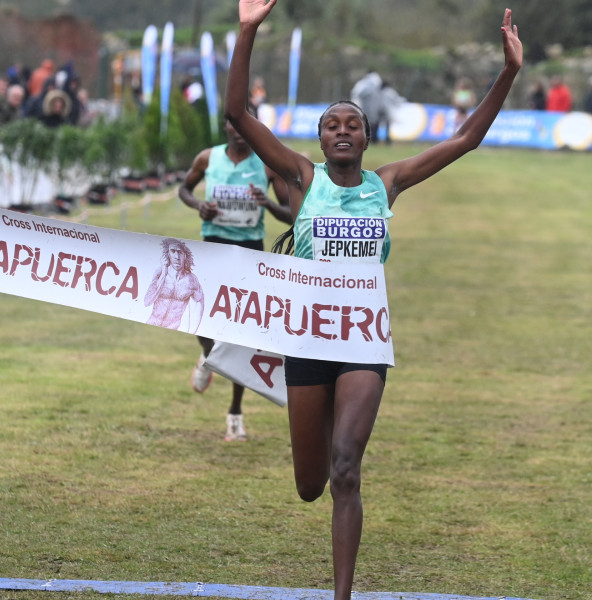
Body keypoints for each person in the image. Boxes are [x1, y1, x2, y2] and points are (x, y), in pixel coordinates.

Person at [224, 1, 521, 598]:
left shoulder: (387, 183)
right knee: (310, 484)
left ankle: (342, 596)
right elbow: (236, 112)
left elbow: (465, 138)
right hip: (307, 338)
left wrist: (508, 72)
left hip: (362, 341)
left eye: (352, 124)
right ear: (319, 137)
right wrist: (248, 29)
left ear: (366, 135)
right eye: (332, 123)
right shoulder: (300, 178)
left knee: (345, 469)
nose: (341, 129)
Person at [179, 105, 291, 442]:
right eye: (232, 120)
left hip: (249, 254)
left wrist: (268, 205)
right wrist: (199, 205)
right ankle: (208, 354)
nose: (239, 128)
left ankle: (235, 415)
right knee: (199, 318)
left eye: (247, 120)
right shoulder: (207, 158)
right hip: (212, 246)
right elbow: (184, 189)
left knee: (244, 338)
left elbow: (291, 214)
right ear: (225, 124)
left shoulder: (268, 164)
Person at [144, 238, 204, 333]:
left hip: (172, 330)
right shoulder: (160, 272)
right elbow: (147, 302)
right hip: (151, 325)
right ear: (168, 254)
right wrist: (163, 274)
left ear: (185, 255)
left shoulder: (191, 280)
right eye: (173, 251)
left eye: (180, 252)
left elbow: (199, 304)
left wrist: (192, 332)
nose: (177, 256)